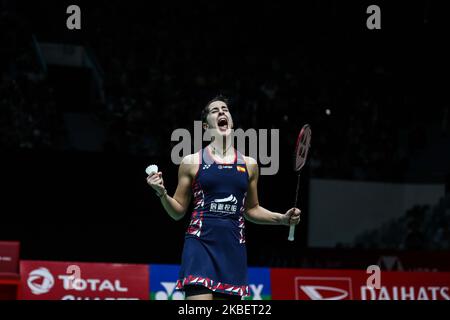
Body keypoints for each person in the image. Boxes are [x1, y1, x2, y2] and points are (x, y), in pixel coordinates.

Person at [147, 95, 301, 300]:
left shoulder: (250, 164)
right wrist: (162, 193)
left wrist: (281, 219)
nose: (221, 112)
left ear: (232, 121)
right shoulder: (192, 161)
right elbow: (177, 212)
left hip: (232, 248)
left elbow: (251, 209)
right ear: (205, 126)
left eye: (225, 109)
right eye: (214, 110)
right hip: (200, 244)